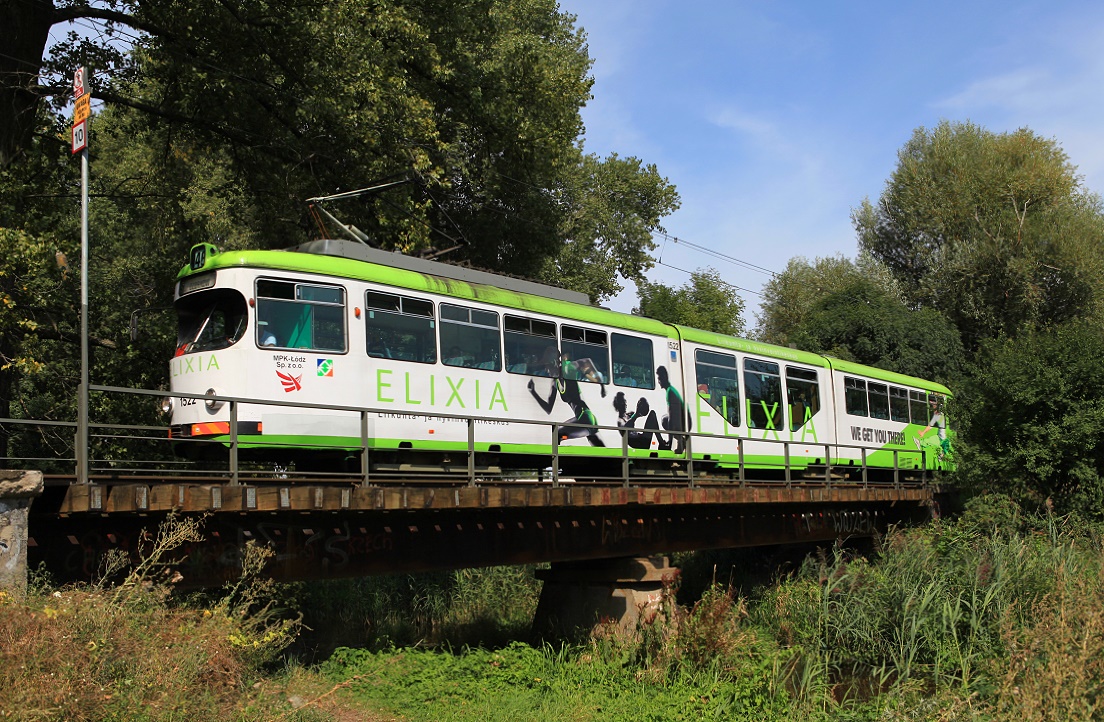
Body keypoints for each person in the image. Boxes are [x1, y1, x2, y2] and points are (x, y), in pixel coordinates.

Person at [528, 350, 604, 447]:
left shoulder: (568, 369)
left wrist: (601, 383)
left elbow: (586, 360)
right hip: (581, 417)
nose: (546, 370)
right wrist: (533, 392)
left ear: (555, 363)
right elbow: (548, 409)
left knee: (558, 434)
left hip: (585, 417)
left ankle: (557, 457)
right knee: (601, 450)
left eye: (547, 366)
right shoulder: (555, 383)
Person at [656, 366, 688, 453]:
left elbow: (672, 419)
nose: (658, 381)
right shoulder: (670, 390)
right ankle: (681, 440)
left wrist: (669, 443)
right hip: (681, 419)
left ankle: (681, 441)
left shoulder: (670, 392)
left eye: (659, 378)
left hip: (683, 421)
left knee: (665, 420)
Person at [915, 395, 949, 459]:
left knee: (931, 440)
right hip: (941, 437)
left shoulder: (939, 415)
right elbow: (930, 426)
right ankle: (920, 442)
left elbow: (942, 405)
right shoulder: (938, 416)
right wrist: (923, 432)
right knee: (945, 444)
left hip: (940, 437)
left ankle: (941, 456)